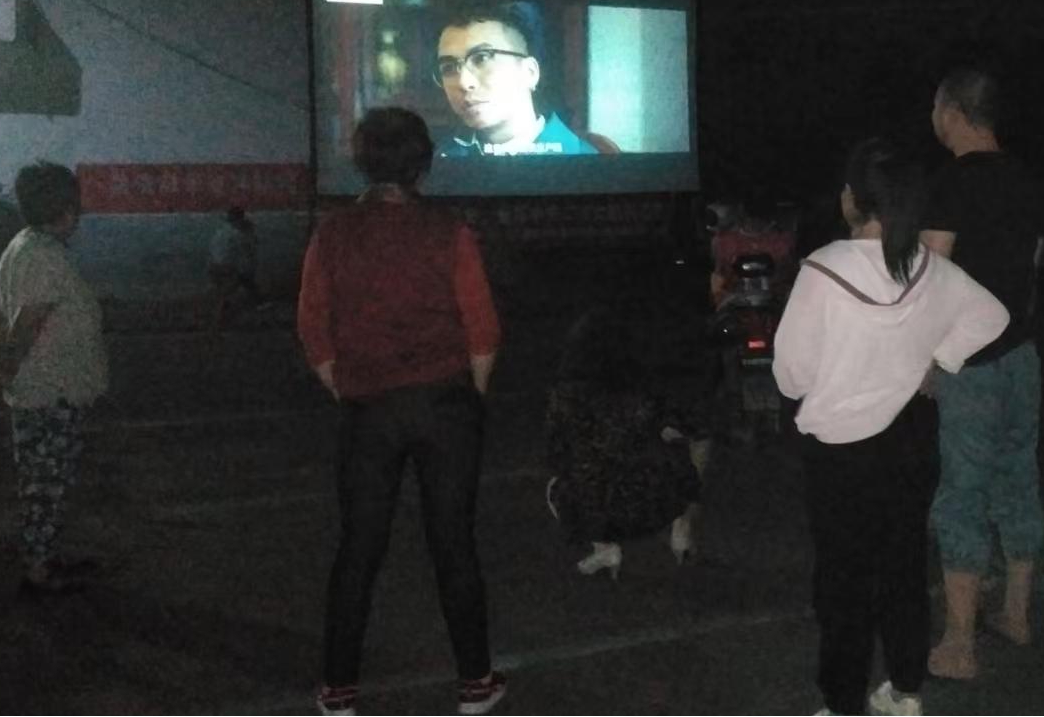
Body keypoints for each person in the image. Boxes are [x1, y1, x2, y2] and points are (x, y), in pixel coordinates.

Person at [774, 138, 1008, 717]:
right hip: (911, 438)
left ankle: (843, 703)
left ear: (852, 200)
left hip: (842, 451)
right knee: (904, 565)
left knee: (844, 580)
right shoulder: (930, 267)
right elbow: (993, 315)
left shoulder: (824, 269)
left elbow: (791, 374)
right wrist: (938, 359)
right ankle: (905, 690)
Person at [296, 107, 507, 717]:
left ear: (362, 162)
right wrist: (469, 396)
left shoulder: (334, 233)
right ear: (423, 164)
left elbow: (313, 327)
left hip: (369, 408)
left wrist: (348, 387)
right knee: (454, 543)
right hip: (444, 403)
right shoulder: (448, 231)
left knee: (360, 547)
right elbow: (482, 329)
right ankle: (475, 684)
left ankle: (338, 690)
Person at [921, 68, 1044, 680]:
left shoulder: (951, 181)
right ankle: (1016, 613)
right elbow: (1034, 264)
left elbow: (933, 277)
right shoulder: (1026, 179)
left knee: (962, 495)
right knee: (1018, 479)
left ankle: (959, 643)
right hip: (1021, 354)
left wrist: (926, 362)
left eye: (935, 107)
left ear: (953, 112)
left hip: (970, 363)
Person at [0, 161, 108, 596]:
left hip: (39, 389)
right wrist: (3, 368)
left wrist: (2, 362)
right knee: (47, 484)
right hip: (52, 392)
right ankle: (39, 571)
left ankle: (44, 556)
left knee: (41, 479)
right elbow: (28, 320)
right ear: (66, 210)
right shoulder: (45, 256)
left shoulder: (20, 247)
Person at [544, 304, 704, 578]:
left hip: (595, 507)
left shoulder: (566, 396)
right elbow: (688, 428)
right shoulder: (647, 391)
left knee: (556, 485)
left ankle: (604, 547)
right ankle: (682, 530)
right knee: (683, 451)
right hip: (655, 504)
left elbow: (556, 452)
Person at [433, 2, 599, 158]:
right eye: (448, 68)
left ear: (530, 72)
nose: (463, 82)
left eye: (481, 58)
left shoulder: (585, 160)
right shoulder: (439, 158)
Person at [206, 204, 260, 332]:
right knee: (242, 287)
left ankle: (225, 318)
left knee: (230, 291)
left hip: (214, 268)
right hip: (226, 269)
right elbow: (247, 254)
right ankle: (220, 321)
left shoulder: (221, 232)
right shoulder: (238, 235)